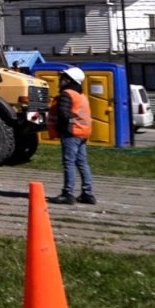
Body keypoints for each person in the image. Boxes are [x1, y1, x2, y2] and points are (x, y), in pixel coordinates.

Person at [47, 66, 95, 205]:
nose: (60, 80)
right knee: (82, 163)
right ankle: (88, 194)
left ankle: (68, 194)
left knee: (69, 163)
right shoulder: (81, 95)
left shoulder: (67, 94)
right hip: (83, 132)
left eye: (63, 78)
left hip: (71, 133)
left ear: (69, 80)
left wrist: (60, 129)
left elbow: (63, 113)